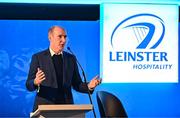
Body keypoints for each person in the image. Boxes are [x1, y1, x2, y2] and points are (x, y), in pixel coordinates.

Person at [26, 25, 101, 111]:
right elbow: (28, 85)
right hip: (44, 108)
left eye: (65, 37)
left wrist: (89, 86)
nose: (64, 40)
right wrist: (35, 82)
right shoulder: (38, 57)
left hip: (66, 108)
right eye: (60, 36)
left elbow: (77, 84)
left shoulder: (71, 58)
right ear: (50, 38)